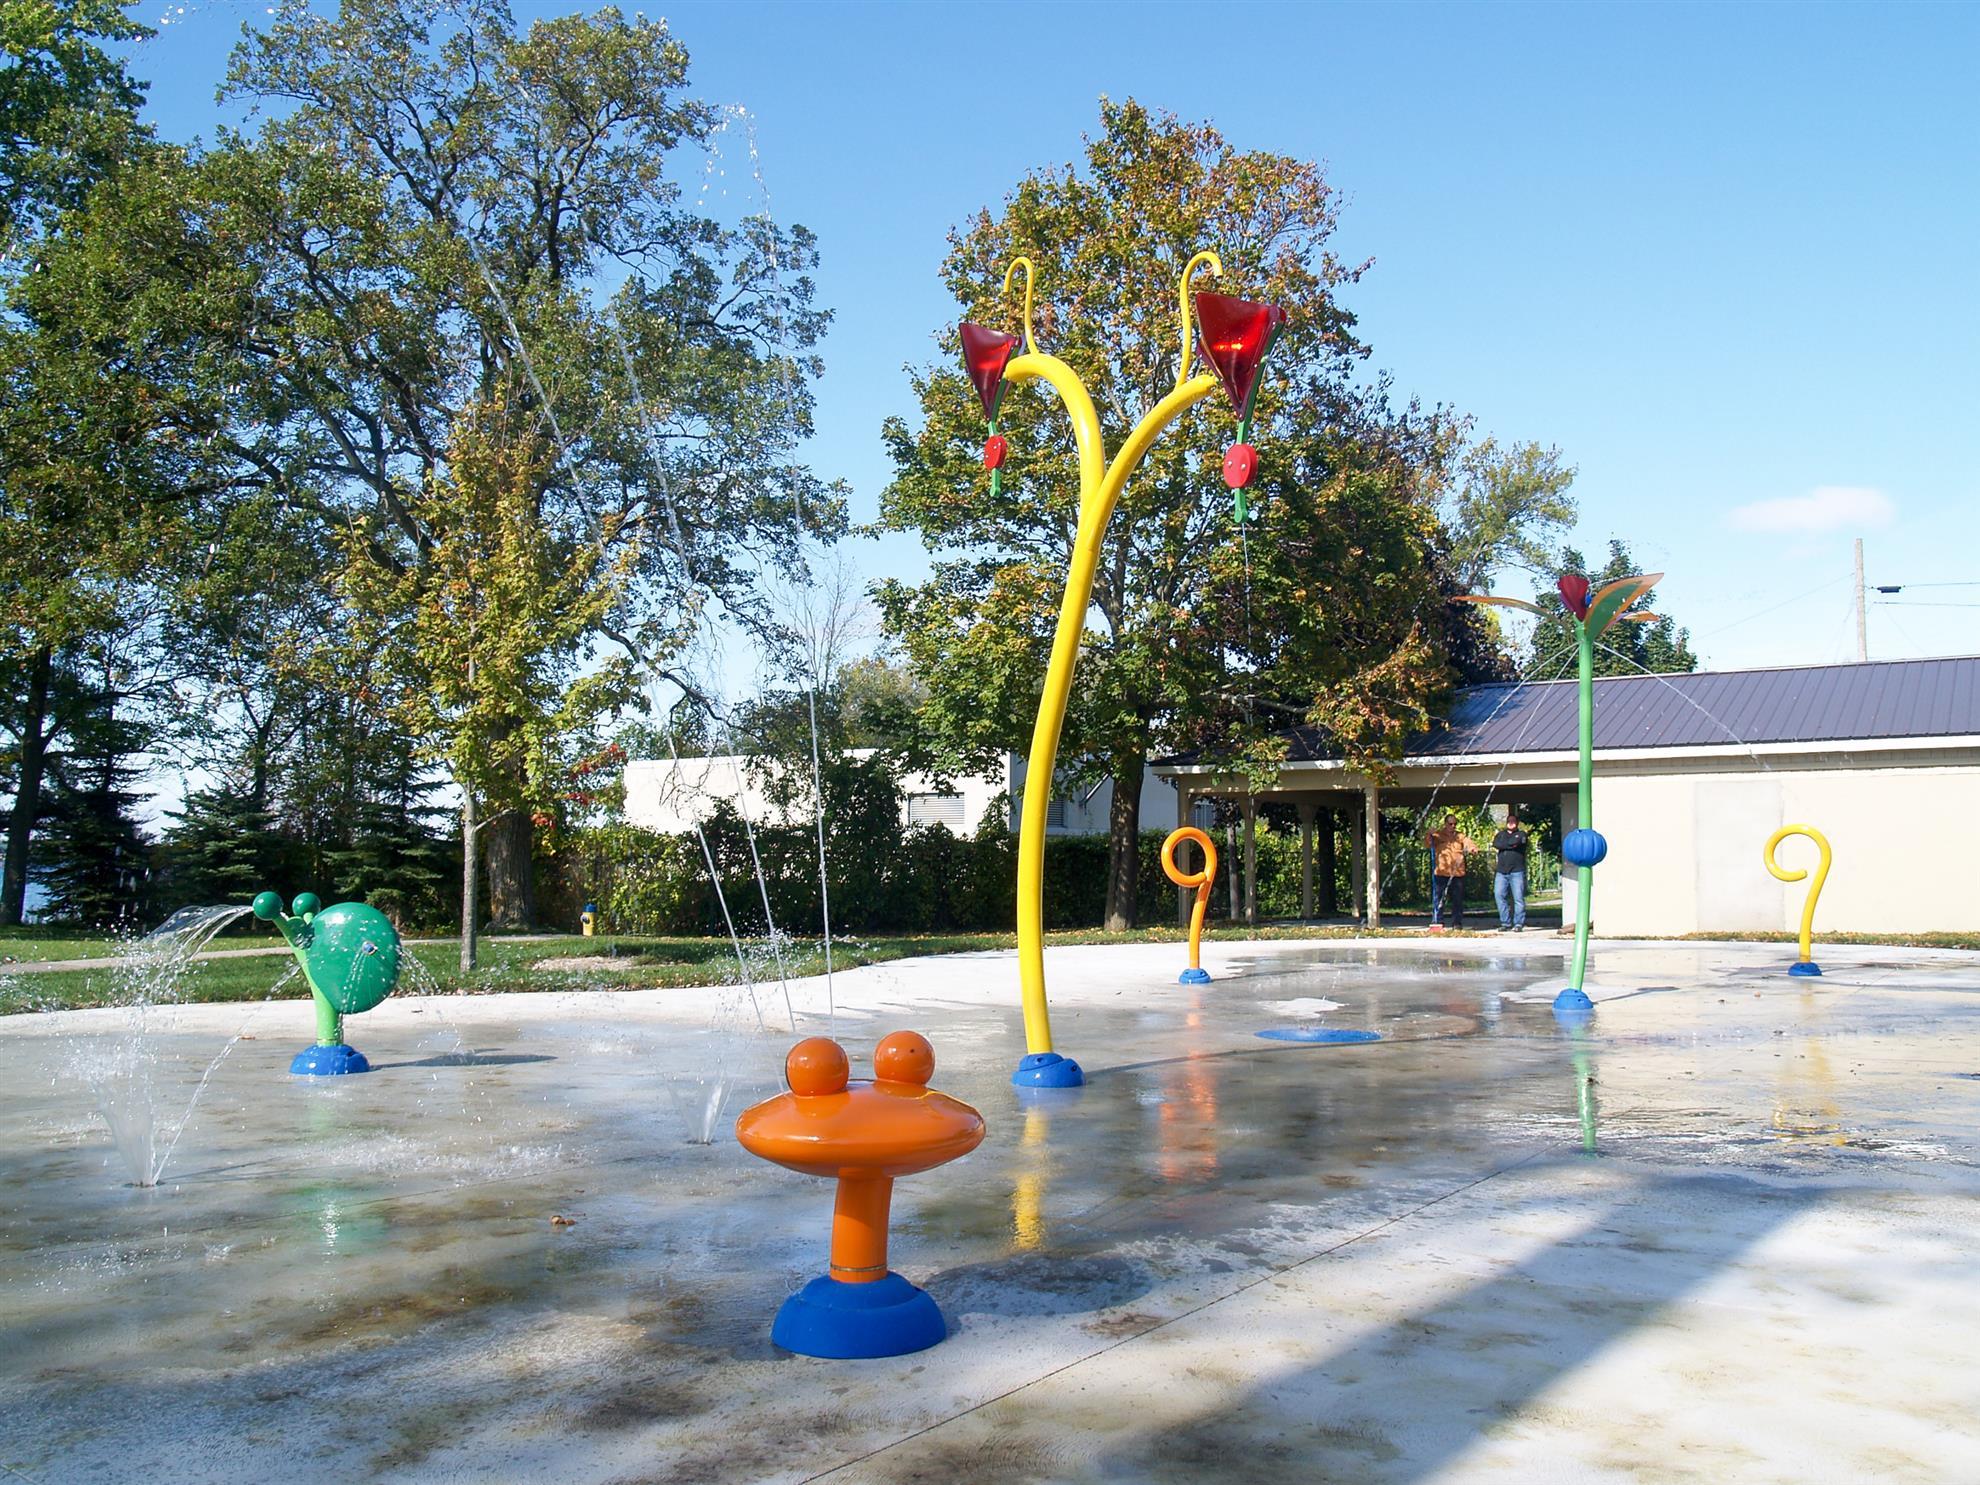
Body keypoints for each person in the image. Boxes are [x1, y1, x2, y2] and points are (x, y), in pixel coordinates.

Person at [1426, 812, 1468, 929]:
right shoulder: (1438, 835)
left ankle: (1457, 923)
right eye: (1450, 824)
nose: (1453, 826)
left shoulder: (1460, 836)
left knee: (1457, 899)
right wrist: (1429, 834)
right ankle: (1438, 921)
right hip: (1442, 872)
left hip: (1457, 873)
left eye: (1455, 824)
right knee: (1439, 898)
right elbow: (1428, 844)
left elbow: (1468, 843)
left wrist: (1472, 848)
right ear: (1445, 824)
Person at [1492, 808, 1530, 932]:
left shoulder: (1522, 834)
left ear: (1517, 823)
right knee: (1498, 895)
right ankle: (1505, 923)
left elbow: (1516, 841)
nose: (1511, 823)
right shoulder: (1500, 834)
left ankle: (1518, 923)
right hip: (1501, 872)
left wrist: (1506, 844)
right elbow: (1496, 844)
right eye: (1509, 821)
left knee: (1518, 898)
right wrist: (1511, 845)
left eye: (1513, 821)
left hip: (1517, 871)